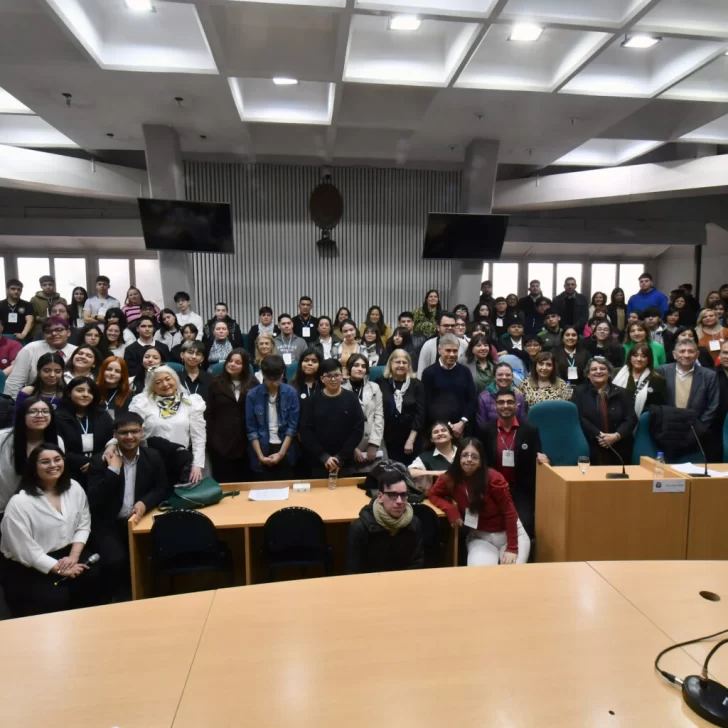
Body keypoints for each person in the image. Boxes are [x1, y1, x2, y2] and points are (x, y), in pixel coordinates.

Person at [0, 445, 98, 617]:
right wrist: (59, 569)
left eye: (57, 459)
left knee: (93, 578)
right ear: (33, 467)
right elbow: (26, 551)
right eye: (45, 462)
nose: (53, 465)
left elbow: (83, 524)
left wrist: (74, 557)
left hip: (68, 553)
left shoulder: (74, 487)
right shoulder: (19, 503)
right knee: (53, 599)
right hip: (29, 565)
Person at [87, 412, 169, 601]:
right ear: (114, 435)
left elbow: (161, 488)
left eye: (134, 432)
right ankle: (115, 602)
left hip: (140, 520)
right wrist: (113, 470)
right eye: (124, 433)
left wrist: (144, 503)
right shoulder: (101, 460)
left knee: (152, 558)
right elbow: (94, 497)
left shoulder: (153, 456)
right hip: (108, 524)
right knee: (116, 561)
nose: (130, 437)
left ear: (142, 432)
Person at [429, 438, 530, 566]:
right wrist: (450, 509)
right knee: (480, 576)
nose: (469, 459)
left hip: (510, 536)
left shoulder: (493, 478)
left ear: (481, 462)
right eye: (465, 455)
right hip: (480, 537)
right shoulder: (449, 479)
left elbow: (509, 513)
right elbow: (434, 494)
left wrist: (512, 548)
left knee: (512, 575)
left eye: (474, 457)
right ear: (458, 458)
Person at [482, 391, 548, 538]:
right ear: (495, 406)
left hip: (521, 489)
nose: (506, 406)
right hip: (493, 488)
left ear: (517, 405)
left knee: (525, 527)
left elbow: (538, 455)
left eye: (510, 402)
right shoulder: (485, 430)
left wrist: (543, 459)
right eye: (501, 402)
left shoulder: (530, 430)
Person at [127, 365, 206, 483]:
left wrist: (197, 465)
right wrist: (112, 444)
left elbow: (198, 436)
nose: (165, 384)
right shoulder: (143, 402)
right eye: (158, 382)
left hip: (180, 462)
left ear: (175, 379)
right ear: (152, 387)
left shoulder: (191, 402)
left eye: (168, 379)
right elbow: (129, 426)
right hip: (150, 462)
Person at [346, 462, 424, 574]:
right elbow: (353, 571)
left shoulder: (414, 523)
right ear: (380, 497)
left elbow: (417, 564)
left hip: (405, 585)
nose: (399, 501)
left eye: (403, 495)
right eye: (393, 495)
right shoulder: (360, 528)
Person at [299, 358, 365, 478]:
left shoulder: (351, 399)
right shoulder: (312, 401)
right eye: (329, 376)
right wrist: (323, 456)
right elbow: (305, 431)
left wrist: (340, 457)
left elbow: (357, 430)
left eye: (336, 375)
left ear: (342, 376)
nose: (333, 379)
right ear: (322, 379)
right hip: (318, 462)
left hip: (345, 462)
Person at [0, 397, 65, 514]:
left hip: (39, 509)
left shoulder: (57, 441)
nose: (40, 415)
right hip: (4, 506)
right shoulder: (3, 438)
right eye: (33, 411)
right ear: (22, 415)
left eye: (45, 411)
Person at [571, 357, 637, 466]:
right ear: (588, 374)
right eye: (594, 369)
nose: (598, 372)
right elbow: (579, 417)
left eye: (602, 368)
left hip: (619, 446)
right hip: (590, 445)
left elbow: (631, 419)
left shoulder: (623, 393)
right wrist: (599, 435)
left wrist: (616, 436)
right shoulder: (579, 393)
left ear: (610, 372)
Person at [246, 354, 299, 480]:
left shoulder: (291, 393)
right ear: (263, 375)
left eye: (277, 379)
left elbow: (292, 428)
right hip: (262, 446)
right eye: (270, 379)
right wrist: (260, 457)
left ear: (282, 375)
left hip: (285, 447)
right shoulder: (252, 395)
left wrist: (280, 454)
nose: (274, 383)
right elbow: (251, 430)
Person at [55, 377, 114, 487]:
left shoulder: (103, 416)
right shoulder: (58, 417)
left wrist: (95, 463)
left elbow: (111, 442)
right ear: (69, 392)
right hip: (69, 473)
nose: (86, 394)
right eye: (80, 390)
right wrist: (85, 462)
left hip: (100, 471)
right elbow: (59, 449)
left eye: (90, 391)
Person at [206, 348, 254, 483]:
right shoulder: (215, 382)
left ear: (244, 366)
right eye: (230, 361)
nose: (232, 364)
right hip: (220, 442)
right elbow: (209, 413)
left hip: (245, 442)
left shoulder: (253, 383)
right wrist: (211, 440)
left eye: (238, 362)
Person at [5, 317, 76, 400]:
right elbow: (15, 382)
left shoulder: (77, 353)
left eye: (59, 329)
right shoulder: (30, 349)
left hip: (69, 403)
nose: (53, 333)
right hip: (34, 403)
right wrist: (13, 406)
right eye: (48, 331)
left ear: (68, 332)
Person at [375, 348, 423, 466]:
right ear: (390, 363)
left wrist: (410, 440)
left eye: (404, 362)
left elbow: (420, 414)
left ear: (409, 365)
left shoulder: (417, 384)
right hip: (386, 439)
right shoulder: (381, 382)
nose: (401, 365)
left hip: (410, 439)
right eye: (397, 362)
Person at [657, 339, 720, 429]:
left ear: (697, 354)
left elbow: (713, 405)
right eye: (682, 351)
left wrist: (700, 427)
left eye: (691, 352)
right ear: (674, 354)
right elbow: (656, 401)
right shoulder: (662, 371)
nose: (686, 355)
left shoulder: (709, 375)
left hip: (696, 428)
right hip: (666, 426)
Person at [421, 334, 476, 435]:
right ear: (439, 350)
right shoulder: (429, 373)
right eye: (448, 350)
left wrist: (462, 422)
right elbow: (428, 403)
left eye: (455, 351)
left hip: (463, 429)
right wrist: (448, 426)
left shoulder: (465, 372)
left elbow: (471, 399)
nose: (452, 354)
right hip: (439, 429)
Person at [342, 354, 386, 474]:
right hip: (350, 445)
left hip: (373, 443)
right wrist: (352, 448)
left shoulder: (374, 388)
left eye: (363, 366)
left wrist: (374, 443)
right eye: (356, 365)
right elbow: (340, 422)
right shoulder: (341, 389)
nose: (360, 369)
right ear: (349, 368)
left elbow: (379, 416)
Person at [612, 343, 667, 419]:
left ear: (649, 359)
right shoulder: (615, 373)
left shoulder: (658, 380)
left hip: (643, 423)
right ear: (630, 357)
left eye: (643, 356)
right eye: (635, 355)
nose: (639, 359)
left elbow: (659, 407)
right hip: (614, 420)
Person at [476, 361, 527, 429]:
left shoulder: (518, 396)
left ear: (512, 377)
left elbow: (523, 422)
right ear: (494, 377)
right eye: (500, 375)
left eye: (508, 375)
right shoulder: (483, 397)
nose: (504, 377)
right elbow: (482, 425)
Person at [416, 311, 468, 378]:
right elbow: (421, 371)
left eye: (452, 325)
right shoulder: (428, 345)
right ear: (438, 327)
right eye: (446, 325)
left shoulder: (464, 345)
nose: (450, 328)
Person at [409, 421, 457, 486]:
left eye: (443, 430)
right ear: (431, 439)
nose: (440, 433)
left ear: (451, 435)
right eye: (436, 432)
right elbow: (409, 473)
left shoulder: (462, 451)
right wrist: (440, 473)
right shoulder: (425, 457)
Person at [96, 356, 133, 420]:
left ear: (122, 375)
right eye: (109, 369)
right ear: (102, 370)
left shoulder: (128, 395)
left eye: (117, 371)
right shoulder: (93, 391)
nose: (112, 373)